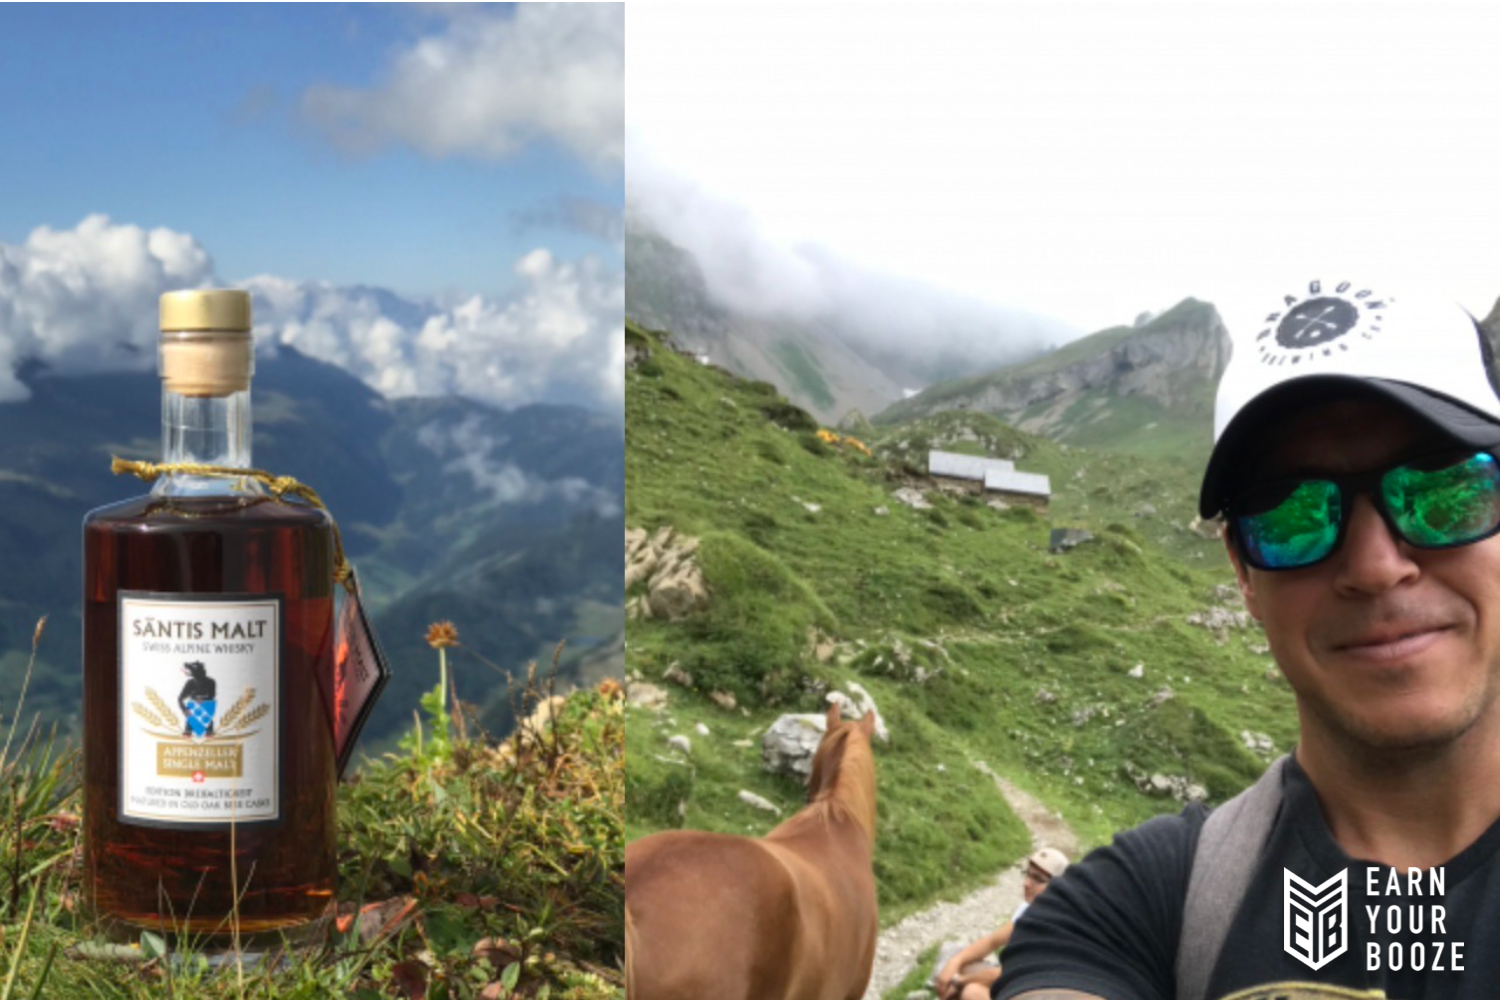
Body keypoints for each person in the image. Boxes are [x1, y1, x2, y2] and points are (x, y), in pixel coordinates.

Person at [993, 280, 1500, 999]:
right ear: (1242, 573)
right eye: (1292, 515)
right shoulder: (1133, 908)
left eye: (1445, 489)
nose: (1375, 567)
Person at [932, 848, 1069, 1000]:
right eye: (1027, 874)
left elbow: (1007, 974)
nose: (1026, 883)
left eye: (1038, 879)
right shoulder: (1029, 910)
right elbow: (992, 941)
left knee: (972, 992)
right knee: (966, 966)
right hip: (1023, 987)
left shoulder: (1056, 926)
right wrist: (955, 962)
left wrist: (958, 982)